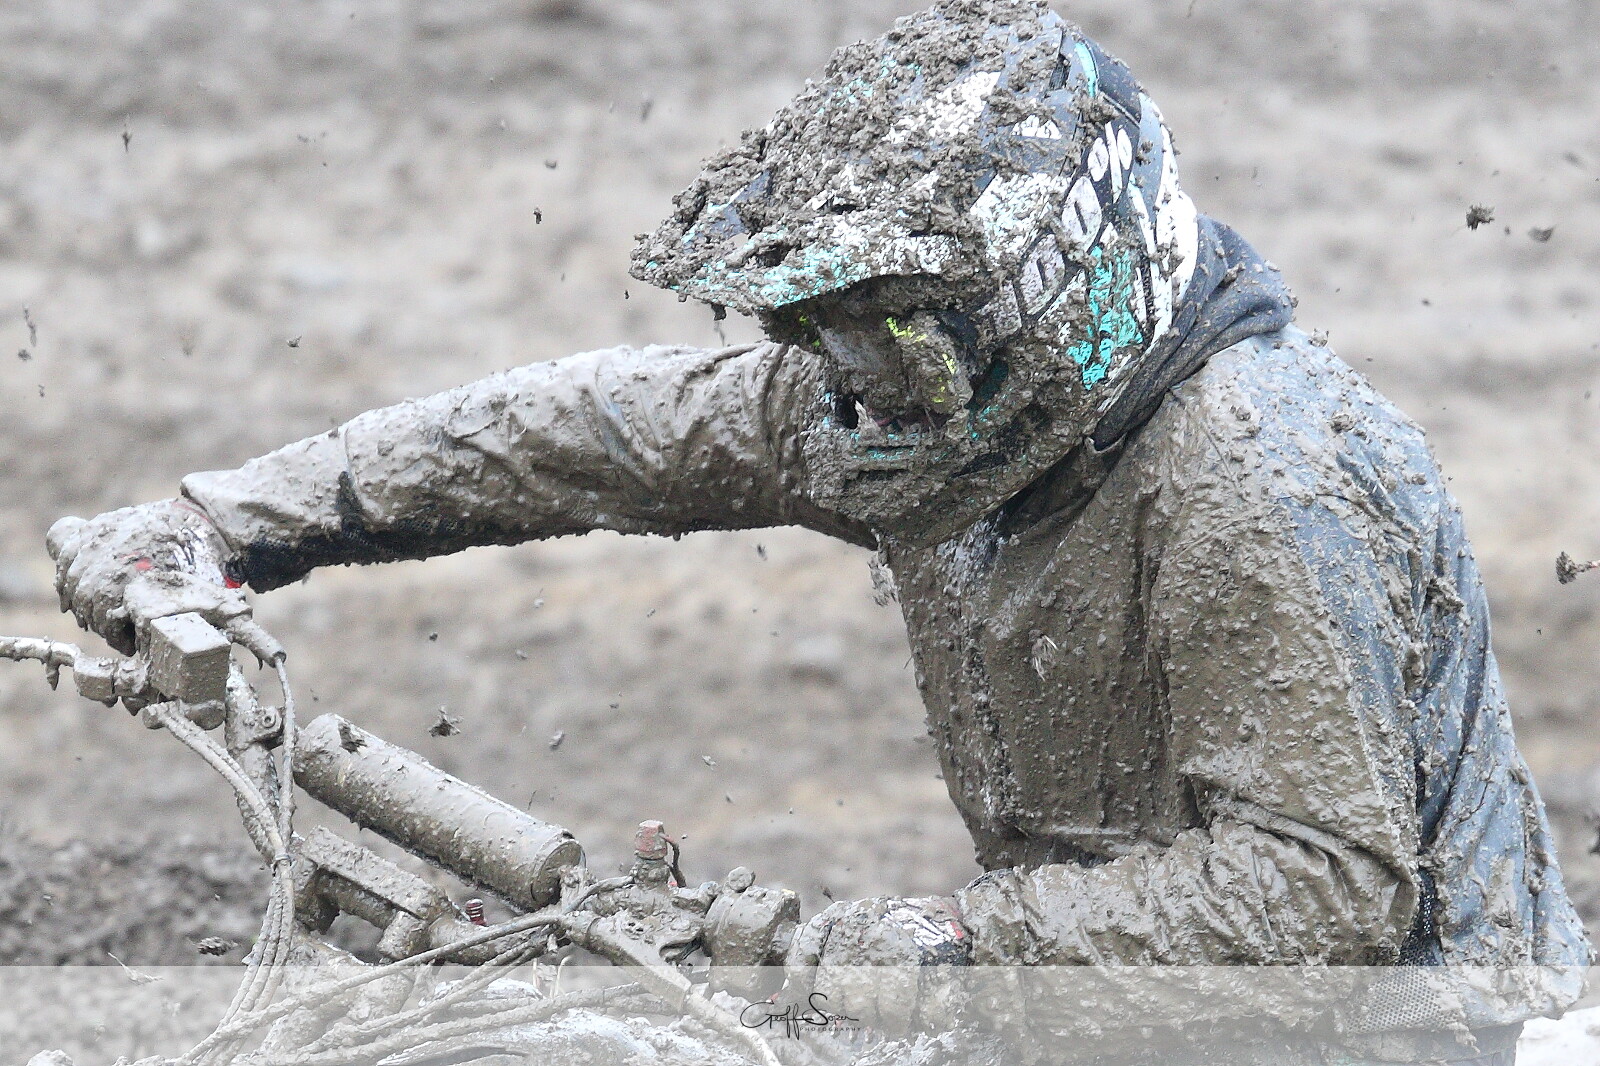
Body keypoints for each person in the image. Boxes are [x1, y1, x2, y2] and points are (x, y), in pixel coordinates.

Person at [45, 2, 1589, 1062]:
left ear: (1043, 302)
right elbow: (599, 430)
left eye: (887, 336)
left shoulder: (1250, 487)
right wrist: (226, 518)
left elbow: (1319, 892)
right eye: (828, 334)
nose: (848, 386)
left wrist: (930, 947)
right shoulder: (931, 408)